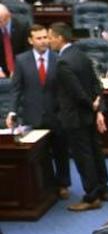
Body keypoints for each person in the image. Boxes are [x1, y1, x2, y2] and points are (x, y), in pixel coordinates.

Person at [51, 23, 108, 212]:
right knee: (95, 151)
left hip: (74, 117)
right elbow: (96, 83)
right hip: (88, 114)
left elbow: (76, 92)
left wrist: (91, 104)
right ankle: (103, 189)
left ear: (60, 38)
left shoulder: (62, 62)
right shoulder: (81, 54)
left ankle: (91, 197)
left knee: (83, 157)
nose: (50, 41)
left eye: (51, 37)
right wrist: (96, 104)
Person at [7, 24, 67, 197]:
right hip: (32, 114)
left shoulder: (58, 59)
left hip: (56, 113)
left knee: (60, 151)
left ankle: (63, 184)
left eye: (45, 37)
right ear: (30, 40)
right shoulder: (21, 60)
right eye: (39, 38)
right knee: (39, 154)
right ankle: (46, 185)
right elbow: (16, 89)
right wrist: (12, 111)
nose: (43, 41)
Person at [0, 3, 30, 77]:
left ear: (8, 16)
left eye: (0, 21)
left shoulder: (22, 26)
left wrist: (18, 69)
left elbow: (27, 51)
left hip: (20, 68)